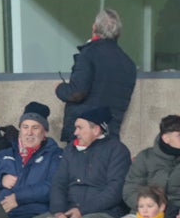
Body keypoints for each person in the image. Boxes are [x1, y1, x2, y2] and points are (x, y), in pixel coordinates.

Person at [48, 107, 131, 218]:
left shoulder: (117, 150)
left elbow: (115, 191)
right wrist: (58, 210)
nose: (75, 132)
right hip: (69, 210)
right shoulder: (70, 150)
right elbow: (59, 183)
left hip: (105, 213)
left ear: (96, 130)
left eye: (80, 128)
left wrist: (82, 210)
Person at [55, 8, 137, 140]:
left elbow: (77, 92)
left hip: (85, 134)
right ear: (118, 33)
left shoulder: (89, 54)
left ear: (94, 27)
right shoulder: (129, 64)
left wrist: (60, 88)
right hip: (110, 133)